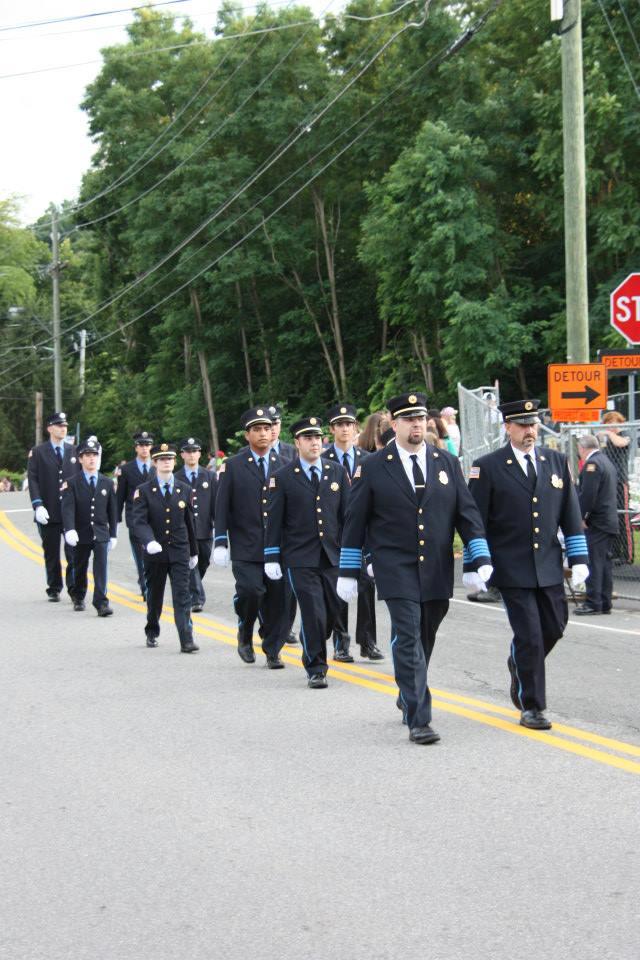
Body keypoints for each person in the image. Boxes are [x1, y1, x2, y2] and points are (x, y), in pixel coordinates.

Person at [337, 392, 492, 744]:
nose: (417, 424)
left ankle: (408, 689)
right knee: (407, 635)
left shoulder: (446, 462)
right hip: (394, 565)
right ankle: (419, 718)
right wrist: (349, 569)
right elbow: (355, 520)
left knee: (425, 635)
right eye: (409, 419)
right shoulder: (374, 465)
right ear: (395, 425)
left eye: (421, 418)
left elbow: (466, 514)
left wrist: (478, 557)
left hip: (436, 566)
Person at [468, 399, 589, 730]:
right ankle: (532, 707)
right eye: (522, 425)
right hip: (510, 567)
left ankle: (518, 662)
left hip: (548, 564)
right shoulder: (488, 466)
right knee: (531, 636)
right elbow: (473, 519)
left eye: (534, 425)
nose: (530, 431)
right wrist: (476, 562)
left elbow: (570, 514)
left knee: (554, 627)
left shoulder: (555, 461)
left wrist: (578, 558)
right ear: (508, 427)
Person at [264, 416, 349, 688]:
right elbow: (274, 520)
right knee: (313, 611)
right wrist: (271, 555)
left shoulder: (336, 472)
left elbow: (348, 515)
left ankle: (310, 638)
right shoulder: (282, 478)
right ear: (297, 442)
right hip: (300, 557)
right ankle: (316, 667)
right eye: (308, 438)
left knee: (334, 611)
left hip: (333, 555)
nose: (315, 442)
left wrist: (356, 552)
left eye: (317, 437)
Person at [213, 407, 286, 667]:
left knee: (278, 601)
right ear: (247, 435)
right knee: (251, 591)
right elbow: (222, 505)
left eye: (267, 428)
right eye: (257, 429)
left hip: (278, 546)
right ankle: (245, 631)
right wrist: (220, 541)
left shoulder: (285, 464)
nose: (263, 433)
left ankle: (272, 648)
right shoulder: (233, 465)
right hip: (246, 545)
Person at [322, 403, 383, 662]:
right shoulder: (323, 460)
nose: (345, 429)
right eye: (339, 424)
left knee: (367, 586)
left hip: (365, 534)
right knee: (340, 588)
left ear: (356, 428)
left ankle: (367, 641)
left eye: (349, 424)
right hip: (335, 534)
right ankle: (340, 641)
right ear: (332, 429)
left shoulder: (368, 460)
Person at [132, 441, 199, 653]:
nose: (166, 462)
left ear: (174, 461)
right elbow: (139, 521)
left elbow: (189, 523)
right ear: (154, 463)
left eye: (169, 459)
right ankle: (152, 629)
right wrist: (148, 541)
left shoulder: (184, 489)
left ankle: (186, 638)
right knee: (155, 596)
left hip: (179, 550)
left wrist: (194, 551)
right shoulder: (143, 491)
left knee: (182, 595)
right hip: (155, 552)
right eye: (162, 459)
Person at [27, 411, 81, 602]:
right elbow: (33, 480)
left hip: (70, 513)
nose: (63, 428)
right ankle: (54, 586)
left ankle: (75, 589)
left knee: (73, 552)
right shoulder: (38, 452)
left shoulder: (74, 451)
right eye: (59, 425)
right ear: (50, 428)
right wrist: (37, 505)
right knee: (51, 552)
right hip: (48, 510)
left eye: (65, 425)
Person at [61, 436, 117, 617]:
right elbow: (68, 508)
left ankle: (101, 602)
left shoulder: (107, 482)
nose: (92, 458)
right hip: (80, 532)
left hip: (100, 532)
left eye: (94, 455)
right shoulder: (72, 482)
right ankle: (78, 595)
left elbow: (112, 511)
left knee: (101, 568)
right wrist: (69, 529)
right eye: (87, 455)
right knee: (80, 565)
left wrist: (113, 534)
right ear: (80, 459)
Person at [574, 434, 618, 615]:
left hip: (597, 521)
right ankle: (604, 602)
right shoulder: (606, 461)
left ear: (582, 448)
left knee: (594, 562)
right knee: (604, 563)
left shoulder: (592, 465)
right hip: (607, 520)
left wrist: (582, 517)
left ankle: (593, 602)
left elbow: (588, 495)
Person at [175, 437, 217, 613]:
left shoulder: (209, 476)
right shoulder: (176, 477)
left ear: (200, 454)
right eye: (188, 451)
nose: (192, 455)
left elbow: (216, 501)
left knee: (203, 561)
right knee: (190, 562)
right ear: (182, 454)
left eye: (195, 451)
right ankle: (196, 598)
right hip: (185, 529)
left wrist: (218, 524)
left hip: (205, 528)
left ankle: (192, 587)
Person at [116, 431, 156, 598]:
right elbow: (120, 496)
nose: (145, 448)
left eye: (147, 445)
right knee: (140, 554)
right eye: (141, 445)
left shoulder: (157, 467)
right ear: (136, 448)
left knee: (153, 553)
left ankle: (150, 582)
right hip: (134, 518)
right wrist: (115, 519)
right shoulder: (126, 469)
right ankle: (145, 585)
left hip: (154, 518)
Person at [601, 410, 633, 564]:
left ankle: (628, 555)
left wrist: (609, 432)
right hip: (608, 483)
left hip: (620, 482)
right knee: (611, 518)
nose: (611, 427)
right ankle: (614, 552)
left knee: (623, 519)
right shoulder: (606, 440)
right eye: (608, 424)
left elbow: (620, 442)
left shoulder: (625, 434)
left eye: (613, 423)